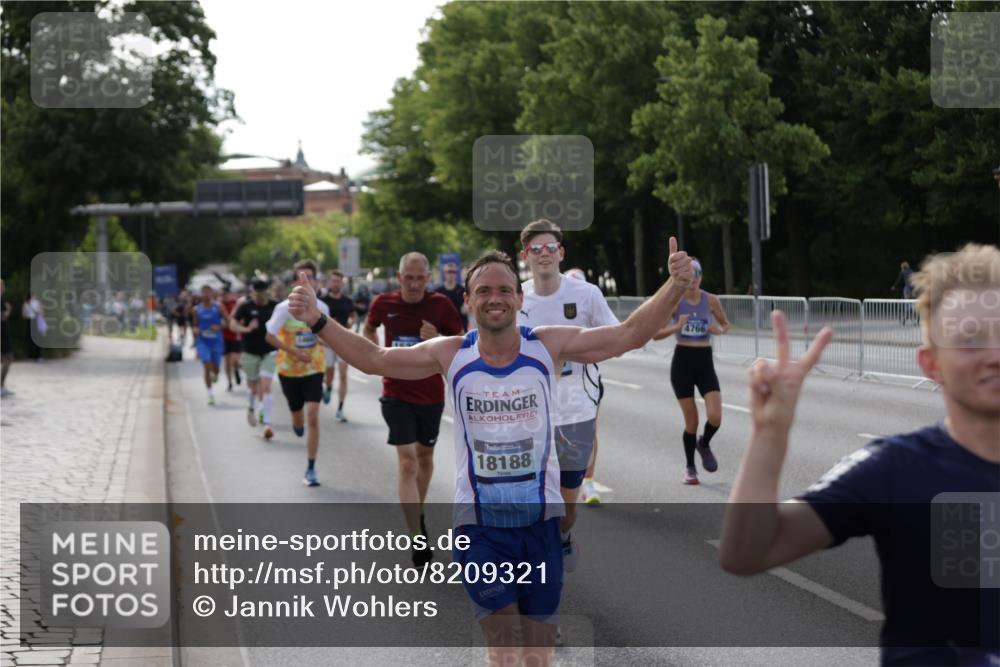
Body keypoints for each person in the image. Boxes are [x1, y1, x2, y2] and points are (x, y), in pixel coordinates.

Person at [287, 240, 693, 666]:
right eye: (483, 291)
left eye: (503, 290)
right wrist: (317, 319)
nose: (494, 298)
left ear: (519, 299)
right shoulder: (451, 353)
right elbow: (374, 358)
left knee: (537, 656)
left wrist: (675, 285)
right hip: (480, 530)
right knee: (504, 649)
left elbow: (627, 336)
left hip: (541, 527)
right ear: (468, 301)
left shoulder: (547, 345)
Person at [719, 243, 999, 666]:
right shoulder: (897, 468)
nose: (994, 355)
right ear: (931, 364)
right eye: (969, 339)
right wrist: (769, 434)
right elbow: (745, 554)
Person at [516, 220, 620, 570]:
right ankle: (533, 563)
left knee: (566, 505)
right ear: (525, 256)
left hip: (576, 411)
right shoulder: (516, 298)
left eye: (550, 247)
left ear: (560, 252)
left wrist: (573, 353)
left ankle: (562, 534)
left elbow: (615, 340)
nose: (543, 254)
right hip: (528, 412)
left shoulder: (586, 294)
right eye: (536, 249)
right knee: (531, 497)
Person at [364, 252, 464, 566]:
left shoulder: (441, 305)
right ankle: (416, 536)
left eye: (420, 278)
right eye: (409, 277)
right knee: (407, 463)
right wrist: (377, 354)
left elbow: (462, 342)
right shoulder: (383, 303)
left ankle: (417, 511)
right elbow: (369, 328)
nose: (415, 284)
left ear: (428, 278)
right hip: (396, 392)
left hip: (431, 394)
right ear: (399, 277)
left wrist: (439, 338)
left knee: (425, 458)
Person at [652, 258, 730, 485]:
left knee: (715, 416)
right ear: (683, 278)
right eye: (690, 274)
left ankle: (703, 443)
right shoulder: (676, 302)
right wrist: (677, 326)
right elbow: (656, 334)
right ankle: (690, 468)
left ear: (701, 277)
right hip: (682, 364)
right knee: (692, 421)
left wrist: (718, 329)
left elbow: (725, 324)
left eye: (697, 274)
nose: (694, 279)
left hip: (705, 363)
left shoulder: (711, 300)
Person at [264, 259, 330, 487]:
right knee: (299, 417)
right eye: (302, 278)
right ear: (295, 282)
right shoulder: (284, 308)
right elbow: (269, 336)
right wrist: (294, 351)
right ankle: (296, 420)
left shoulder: (323, 308)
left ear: (316, 282)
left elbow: (326, 335)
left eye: (310, 278)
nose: (306, 282)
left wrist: (328, 342)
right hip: (289, 369)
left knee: (313, 415)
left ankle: (311, 468)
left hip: (314, 367)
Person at [230, 278, 278, 439]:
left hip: (269, 352)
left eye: (262, 293)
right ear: (252, 293)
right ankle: (251, 407)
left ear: (267, 292)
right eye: (256, 293)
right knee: (253, 387)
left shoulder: (274, 306)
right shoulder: (245, 306)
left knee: (266, 386)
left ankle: (267, 423)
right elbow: (232, 325)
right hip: (250, 352)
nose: (260, 296)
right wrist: (247, 328)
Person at [318, 270, 356, 421]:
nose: (336, 284)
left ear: (342, 283)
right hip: (327, 343)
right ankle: (328, 387)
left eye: (339, 281)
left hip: (343, 342)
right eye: (333, 281)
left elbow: (353, 315)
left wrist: (351, 322)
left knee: (343, 374)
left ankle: (340, 409)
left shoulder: (347, 301)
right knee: (329, 374)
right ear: (329, 283)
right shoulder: (323, 301)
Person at [191, 285, 227, 405]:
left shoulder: (218, 306)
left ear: (212, 293)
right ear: (200, 294)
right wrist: (195, 330)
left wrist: (219, 327)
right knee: (206, 365)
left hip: (216, 341)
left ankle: (215, 373)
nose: (206, 294)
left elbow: (228, 321)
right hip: (202, 341)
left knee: (216, 368)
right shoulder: (196, 309)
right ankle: (210, 394)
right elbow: (194, 325)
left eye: (208, 292)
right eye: (203, 292)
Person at [220, 285, 243, 391]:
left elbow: (238, 319)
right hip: (224, 336)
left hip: (236, 335)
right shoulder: (219, 305)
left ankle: (236, 369)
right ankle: (229, 382)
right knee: (227, 361)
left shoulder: (235, 303)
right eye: (222, 294)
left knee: (235, 360)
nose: (224, 296)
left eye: (226, 294)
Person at [436, 261, 469, 331]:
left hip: (461, 327)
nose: (451, 274)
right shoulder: (438, 291)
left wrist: (467, 306)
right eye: (449, 272)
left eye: (453, 272)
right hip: (444, 329)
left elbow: (469, 303)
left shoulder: (462, 290)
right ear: (444, 273)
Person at [891, 260, 917, 325]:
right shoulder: (911, 271)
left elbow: (898, 280)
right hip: (913, 289)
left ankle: (906, 317)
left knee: (907, 304)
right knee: (912, 303)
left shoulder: (903, 272)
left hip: (907, 289)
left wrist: (894, 286)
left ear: (902, 267)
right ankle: (912, 317)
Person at [21, 293, 43, 361]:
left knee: (30, 339)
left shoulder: (25, 304)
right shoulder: (36, 303)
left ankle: (31, 356)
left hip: (29, 321)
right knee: (37, 339)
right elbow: (41, 312)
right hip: (35, 321)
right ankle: (37, 356)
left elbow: (23, 316)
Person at [1, 280, 13, 397]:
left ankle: (2, 386)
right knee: (8, 359)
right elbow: (2, 317)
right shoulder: (1, 300)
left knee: (7, 359)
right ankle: (1, 386)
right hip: (2, 334)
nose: (4, 288)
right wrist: (8, 310)